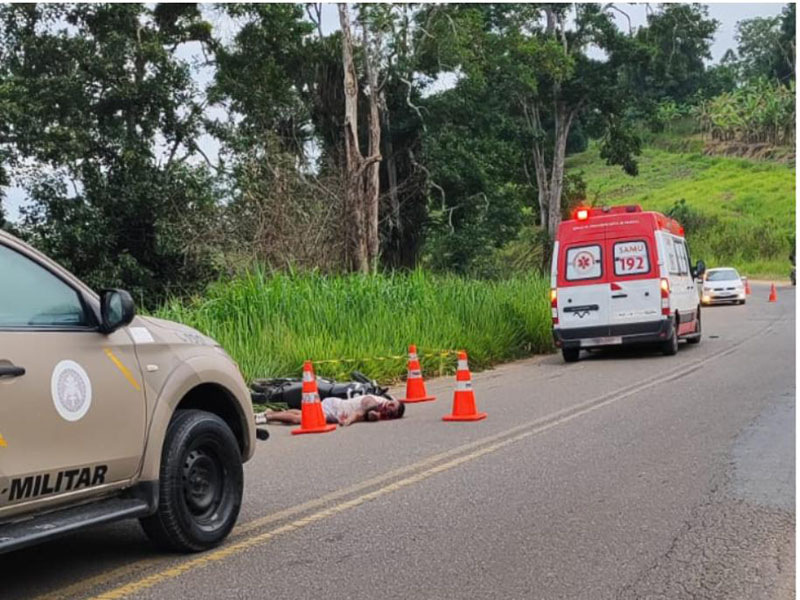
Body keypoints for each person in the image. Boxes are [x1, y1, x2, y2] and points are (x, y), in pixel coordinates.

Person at [261, 394, 405, 426]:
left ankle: (272, 413)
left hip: (334, 410)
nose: (389, 410)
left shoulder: (379, 411)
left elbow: (367, 416)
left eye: (391, 413)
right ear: (391, 401)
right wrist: (347, 421)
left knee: (302, 414)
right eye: (392, 406)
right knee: (300, 420)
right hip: (334, 407)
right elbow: (358, 413)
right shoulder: (374, 402)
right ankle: (267, 417)